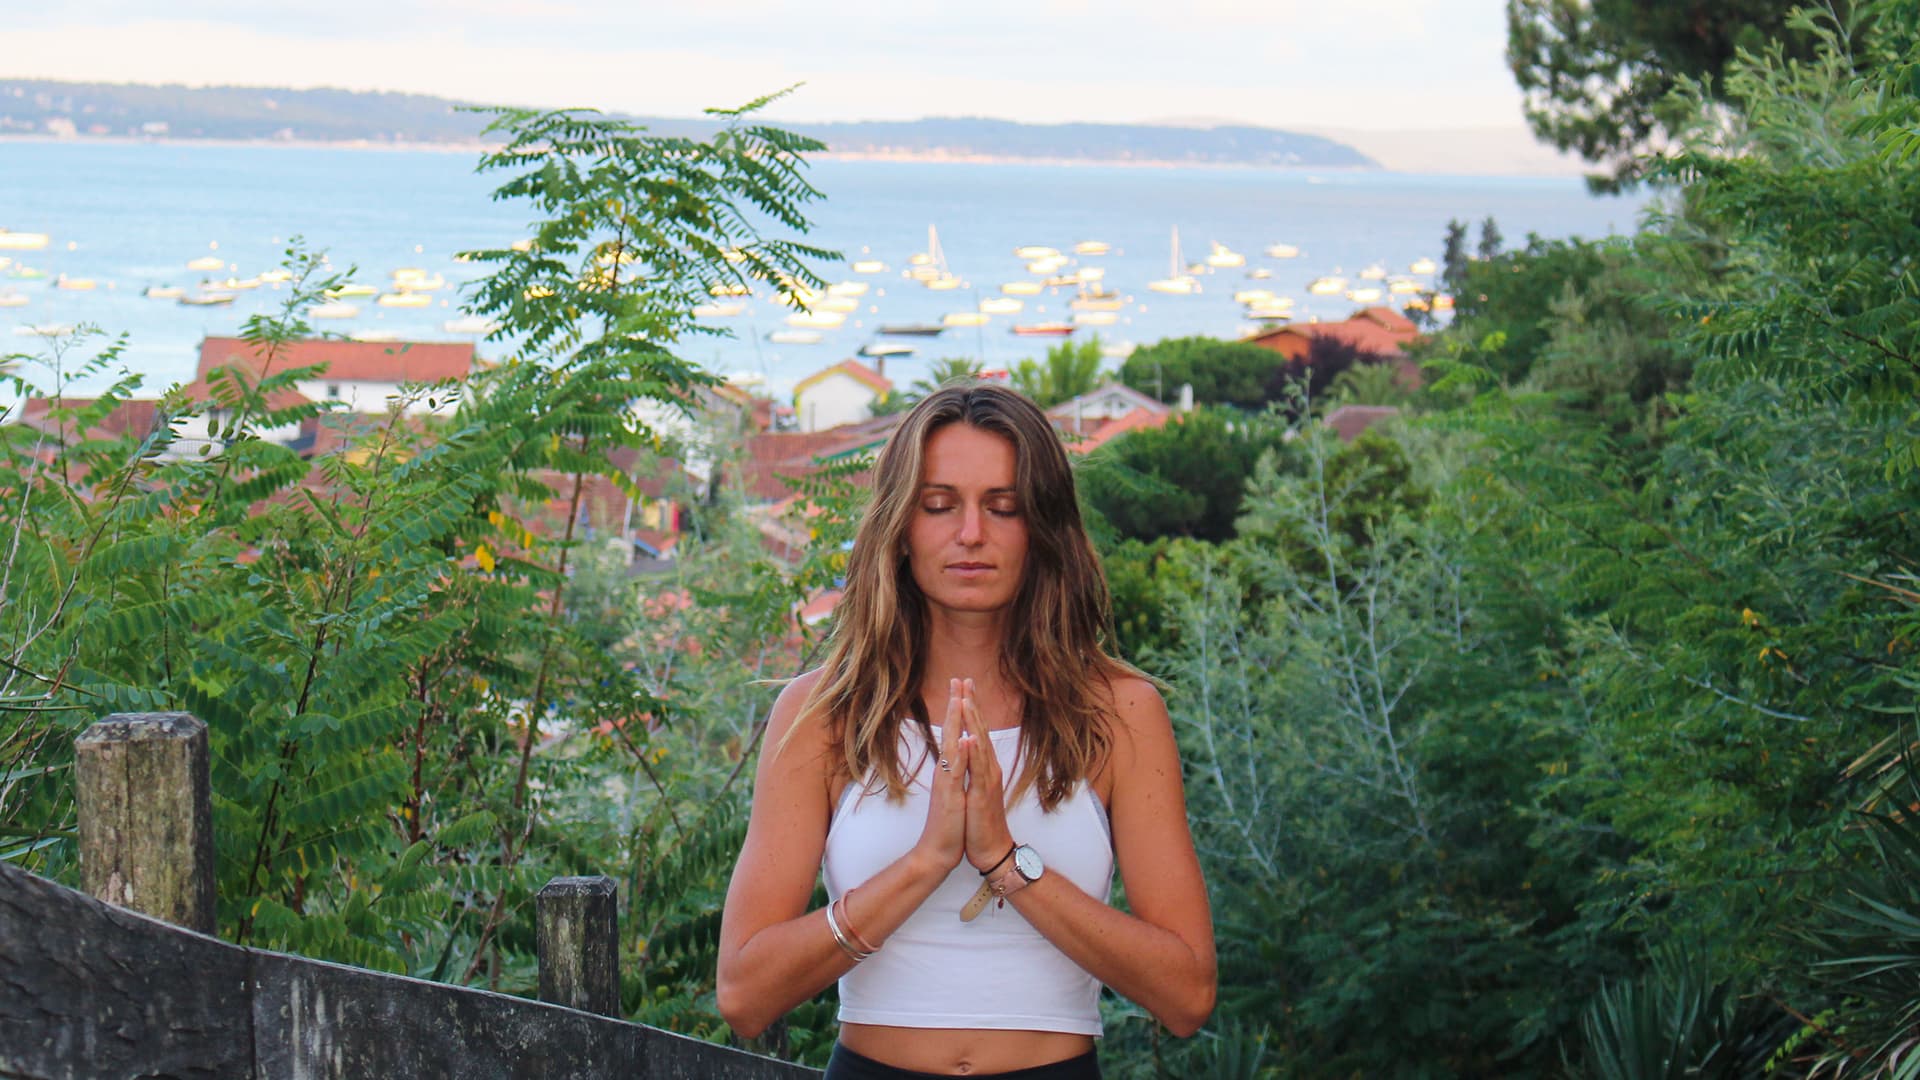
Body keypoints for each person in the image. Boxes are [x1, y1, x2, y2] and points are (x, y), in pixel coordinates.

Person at [716, 383, 1214, 1079]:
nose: (971, 534)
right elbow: (743, 993)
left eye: (1003, 507)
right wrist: (926, 862)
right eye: (939, 505)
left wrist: (1006, 863)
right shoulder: (823, 713)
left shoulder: (1120, 712)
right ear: (901, 525)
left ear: (1043, 527)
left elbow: (1187, 993)